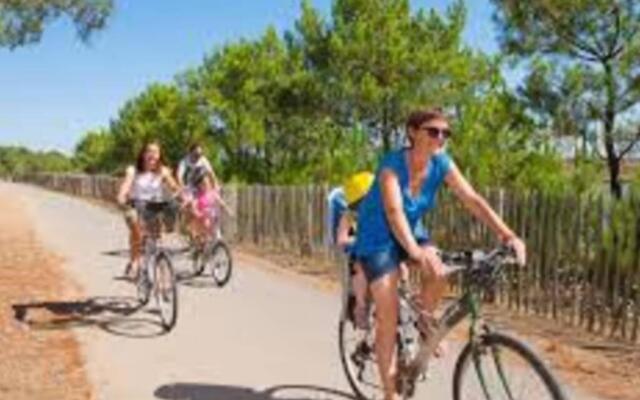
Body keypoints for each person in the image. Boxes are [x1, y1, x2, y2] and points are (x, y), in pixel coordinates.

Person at [353, 108, 526, 400]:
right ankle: (389, 394)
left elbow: (472, 199)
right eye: (433, 131)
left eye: (446, 133)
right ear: (412, 132)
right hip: (377, 236)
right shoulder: (392, 165)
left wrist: (507, 235)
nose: (441, 137)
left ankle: (424, 321)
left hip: (412, 229)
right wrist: (413, 251)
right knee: (388, 312)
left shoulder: (441, 162)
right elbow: (394, 212)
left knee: (439, 270)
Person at [116, 141, 182, 280]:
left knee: (157, 241)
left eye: (156, 152)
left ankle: (163, 281)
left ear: (159, 155)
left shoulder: (162, 171)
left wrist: (181, 195)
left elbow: (174, 187)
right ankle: (134, 260)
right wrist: (122, 196)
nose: (153, 155)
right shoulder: (133, 170)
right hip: (136, 205)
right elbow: (126, 186)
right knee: (136, 227)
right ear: (143, 154)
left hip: (154, 207)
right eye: (149, 151)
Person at [328, 172, 375, 329]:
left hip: (382, 253)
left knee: (402, 267)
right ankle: (360, 307)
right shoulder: (349, 217)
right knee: (360, 269)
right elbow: (341, 240)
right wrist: (357, 240)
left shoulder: (382, 212)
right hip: (360, 254)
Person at [189, 169, 234, 245]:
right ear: (199, 186)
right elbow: (194, 207)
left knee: (216, 235)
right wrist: (197, 213)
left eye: (207, 182)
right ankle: (203, 243)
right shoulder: (198, 196)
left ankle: (215, 245)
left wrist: (228, 210)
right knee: (205, 229)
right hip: (203, 219)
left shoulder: (213, 193)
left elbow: (221, 203)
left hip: (214, 219)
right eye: (203, 184)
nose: (206, 185)